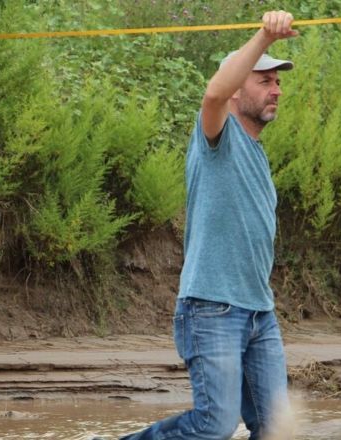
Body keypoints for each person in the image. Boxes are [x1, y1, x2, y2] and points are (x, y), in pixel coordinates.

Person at [118, 10, 299, 440]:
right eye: (264, 80)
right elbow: (214, 93)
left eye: (277, 81)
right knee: (213, 426)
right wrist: (264, 37)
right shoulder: (217, 136)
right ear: (237, 89)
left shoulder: (256, 153)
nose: (276, 89)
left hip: (259, 313)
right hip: (212, 309)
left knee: (277, 430)